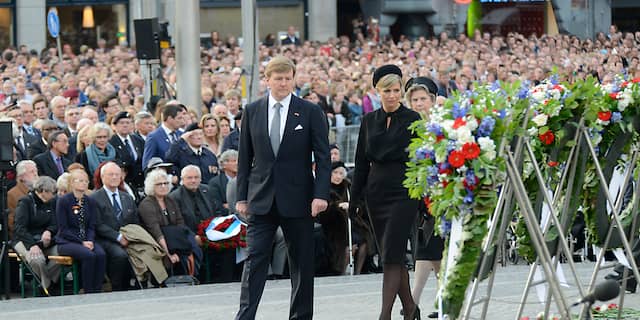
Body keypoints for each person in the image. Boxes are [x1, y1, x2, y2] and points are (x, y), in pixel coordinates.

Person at [235, 56, 330, 320]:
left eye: (288, 78)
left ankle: (300, 316)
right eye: (278, 78)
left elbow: (323, 158)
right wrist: (242, 197)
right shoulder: (252, 110)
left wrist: (320, 195)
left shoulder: (310, 111)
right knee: (254, 260)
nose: (283, 83)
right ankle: (245, 315)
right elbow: (244, 158)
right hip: (261, 198)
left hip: (299, 198)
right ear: (267, 80)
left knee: (301, 263)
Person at [349, 64, 421, 320]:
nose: (392, 95)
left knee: (392, 253)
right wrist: (354, 199)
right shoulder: (369, 121)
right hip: (376, 195)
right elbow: (360, 163)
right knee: (392, 254)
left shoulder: (413, 119)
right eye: (386, 90)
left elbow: (421, 160)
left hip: (404, 193)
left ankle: (385, 315)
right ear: (377, 92)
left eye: (396, 90)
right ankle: (410, 309)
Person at [404, 76, 444, 319]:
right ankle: (441, 300)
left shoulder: (443, 124)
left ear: (432, 100)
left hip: (440, 194)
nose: (419, 104)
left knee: (431, 248)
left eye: (422, 99)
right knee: (427, 249)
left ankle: (415, 303)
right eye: (414, 100)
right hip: (416, 195)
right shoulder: (408, 126)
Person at [138, 169, 202, 276]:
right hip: (158, 240)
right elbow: (155, 231)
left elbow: (180, 222)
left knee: (195, 247)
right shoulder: (147, 204)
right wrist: (168, 254)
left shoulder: (170, 200)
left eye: (166, 183)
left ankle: (195, 276)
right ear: (151, 186)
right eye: (159, 184)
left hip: (175, 239)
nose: (163, 186)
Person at [55, 169, 106, 294]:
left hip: (86, 239)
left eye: (86, 181)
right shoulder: (64, 201)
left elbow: (91, 226)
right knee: (88, 255)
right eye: (80, 180)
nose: (84, 183)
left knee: (101, 254)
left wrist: (89, 240)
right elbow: (63, 228)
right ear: (72, 183)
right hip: (67, 241)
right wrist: (81, 242)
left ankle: (97, 288)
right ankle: (87, 289)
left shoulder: (90, 201)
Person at [91, 162, 140, 291]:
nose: (114, 177)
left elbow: (135, 220)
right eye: (110, 174)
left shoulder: (127, 197)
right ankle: (117, 287)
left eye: (117, 175)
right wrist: (118, 237)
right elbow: (98, 224)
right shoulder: (95, 198)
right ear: (102, 177)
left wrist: (132, 236)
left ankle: (139, 284)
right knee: (120, 255)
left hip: (129, 237)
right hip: (106, 239)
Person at [13, 176, 61, 291]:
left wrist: (49, 231)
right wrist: (32, 245)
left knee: (62, 252)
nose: (54, 195)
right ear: (43, 191)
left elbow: (55, 223)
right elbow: (19, 228)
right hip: (24, 239)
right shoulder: (25, 202)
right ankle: (47, 286)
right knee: (37, 260)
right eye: (52, 192)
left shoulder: (52, 202)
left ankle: (44, 284)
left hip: (45, 240)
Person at [142, 103, 186, 169]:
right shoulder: (154, 137)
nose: (182, 121)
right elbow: (147, 164)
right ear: (170, 118)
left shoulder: (182, 134)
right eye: (179, 118)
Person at [110, 111, 145, 191]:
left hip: (139, 183)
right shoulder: (112, 142)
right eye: (121, 123)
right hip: (124, 183)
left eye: (128, 123)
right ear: (115, 126)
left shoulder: (138, 140)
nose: (125, 125)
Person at [8, 160, 38, 238]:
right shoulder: (12, 194)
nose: (35, 174)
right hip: (22, 237)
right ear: (21, 176)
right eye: (32, 172)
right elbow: (12, 224)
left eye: (36, 171)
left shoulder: (39, 192)